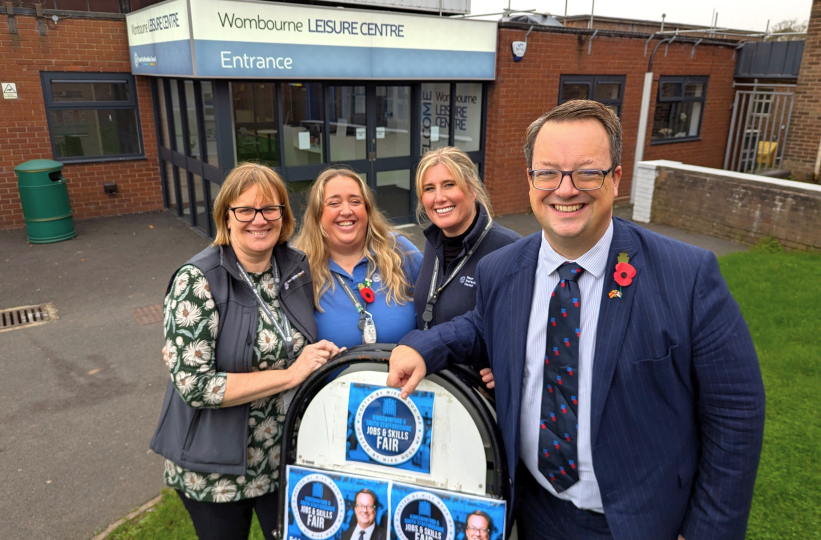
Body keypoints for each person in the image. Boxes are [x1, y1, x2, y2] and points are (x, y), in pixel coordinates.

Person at [386, 100, 765, 540]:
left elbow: (736, 412)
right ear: (530, 181)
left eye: (587, 172)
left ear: (616, 178)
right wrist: (422, 346)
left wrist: (707, 532)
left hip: (643, 523)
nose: (565, 190)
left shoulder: (687, 275)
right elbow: (482, 326)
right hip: (533, 511)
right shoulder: (502, 269)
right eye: (548, 172)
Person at [150, 163, 342, 540]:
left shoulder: (293, 266)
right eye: (246, 210)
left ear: (283, 215)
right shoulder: (198, 279)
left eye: (271, 209)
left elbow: (298, 341)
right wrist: (291, 374)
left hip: (282, 456)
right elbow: (197, 387)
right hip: (216, 469)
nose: (260, 220)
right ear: (226, 215)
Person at [413, 147, 520, 380]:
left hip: (477, 398)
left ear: (471, 188)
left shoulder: (508, 248)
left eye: (449, 184)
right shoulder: (433, 243)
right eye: (429, 189)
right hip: (434, 386)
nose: (439, 197)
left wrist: (506, 367)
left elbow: (526, 328)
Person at [295, 167, 422, 348]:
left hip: (401, 375)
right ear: (317, 214)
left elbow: (436, 316)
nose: (346, 211)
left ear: (368, 211)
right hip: (332, 376)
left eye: (355, 201)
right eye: (334, 203)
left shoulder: (401, 251)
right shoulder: (298, 265)